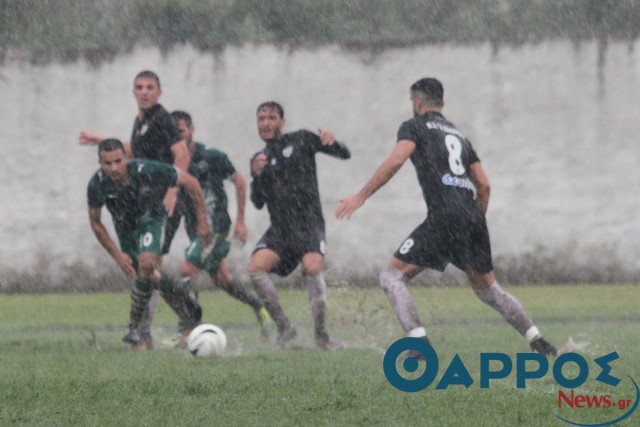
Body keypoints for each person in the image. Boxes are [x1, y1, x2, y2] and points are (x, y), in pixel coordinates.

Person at [335, 78, 557, 357]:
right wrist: (471, 221)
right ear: (442, 103)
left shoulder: (413, 126)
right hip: (472, 215)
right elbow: (485, 186)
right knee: (489, 290)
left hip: (445, 215)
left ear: (417, 102)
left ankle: (419, 345)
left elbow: (395, 161)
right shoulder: (460, 135)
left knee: (391, 277)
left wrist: (361, 196)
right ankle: (538, 341)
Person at [79, 70, 190, 346]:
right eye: (139, 87)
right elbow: (136, 151)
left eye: (149, 87)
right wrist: (101, 139)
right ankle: (182, 315)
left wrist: (174, 190)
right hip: (141, 200)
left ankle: (144, 334)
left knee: (147, 265)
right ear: (133, 91)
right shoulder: (142, 122)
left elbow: (181, 153)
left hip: (161, 200)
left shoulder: (161, 118)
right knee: (149, 270)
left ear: (159, 92)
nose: (144, 92)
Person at [87, 139, 213, 349]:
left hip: (151, 221)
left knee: (146, 264)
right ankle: (184, 299)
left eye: (118, 161)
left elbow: (191, 183)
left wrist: (202, 221)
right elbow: (96, 222)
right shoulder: (96, 184)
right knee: (147, 278)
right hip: (125, 231)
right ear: (99, 162)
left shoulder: (147, 169)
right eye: (107, 163)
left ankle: (135, 329)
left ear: (126, 158)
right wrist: (117, 255)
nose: (114, 168)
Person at [163, 110, 272, 347]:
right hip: (195, 226)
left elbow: (240, 182)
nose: (177, 138)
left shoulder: (211, 156)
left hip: (216, 225)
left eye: (181, 132)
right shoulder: (170, 158)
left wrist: (241, 220)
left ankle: (188, 329)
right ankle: (259, 307)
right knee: (221, 278)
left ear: (192, 129)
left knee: (187, 269)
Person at [248, 101, 351, 349]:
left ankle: (321, 336)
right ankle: (285, 328)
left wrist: (332, 141)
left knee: (312, 267)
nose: (266, 123)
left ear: (282, 122)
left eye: (271, 118)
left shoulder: (302, 139)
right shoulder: (259, 158)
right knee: (255, 268)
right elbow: (257, 202)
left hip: (308, 225)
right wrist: (256, 176)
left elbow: (344, 153)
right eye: (261, 119)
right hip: (280, 231)